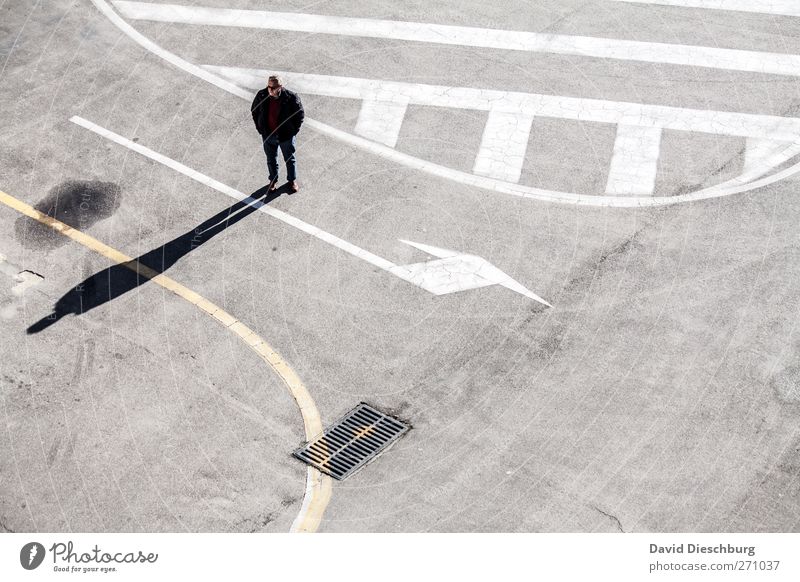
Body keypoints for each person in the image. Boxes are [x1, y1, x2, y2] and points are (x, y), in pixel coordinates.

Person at [251, 75, 304, 193]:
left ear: (280, 87)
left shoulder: (290, 97)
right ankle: (273, 181)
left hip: (286, 136)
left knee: (290, 159)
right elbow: (254, 111)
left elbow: (299, 115)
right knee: (271, 159)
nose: (270, 89)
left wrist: (293, 131)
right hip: (268, 135)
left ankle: (292, 180)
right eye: (268, 86)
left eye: (273, 87)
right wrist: (260, 128)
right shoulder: (262, 95)